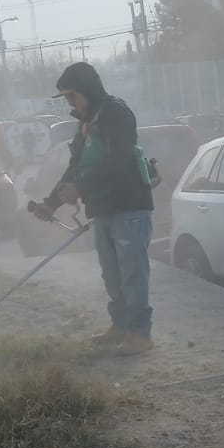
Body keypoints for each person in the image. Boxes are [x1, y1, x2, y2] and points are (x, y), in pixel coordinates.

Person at [30, 62, 155, 354]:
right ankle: (121, 326)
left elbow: (118, 162)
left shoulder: (115, 114)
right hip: (105, 210)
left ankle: (140, 334)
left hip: (129, 208)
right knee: (112, 275)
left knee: (132, 274)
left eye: (73, 96)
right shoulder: (86, 123)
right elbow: (76, 168)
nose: (71, 103)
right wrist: (51, 203)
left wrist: (81, 189)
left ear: (86, 90)